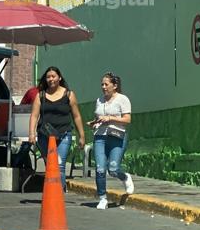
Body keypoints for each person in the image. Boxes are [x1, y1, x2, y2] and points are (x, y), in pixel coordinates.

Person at [28, 66, 87, 192]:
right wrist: (31, 133)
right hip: (44, 136)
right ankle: (51, 193)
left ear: (59, 78)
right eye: (48, 77)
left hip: (63, 134)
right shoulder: (41, 95)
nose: (51, 79)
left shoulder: (69, 94)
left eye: (53, 76)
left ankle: (58, 194)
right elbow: (34, 115)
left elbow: (76, 116)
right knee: (50, 166)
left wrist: (81, 135)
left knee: (59, 165)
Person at [90, 72, 133, 209]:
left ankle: (124, 177)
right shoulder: (99, 100)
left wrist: (110, 118)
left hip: (117, 136)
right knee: (100, 168)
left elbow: (127, 120)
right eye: (102, 84)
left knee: (113, 169)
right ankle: (102, 198)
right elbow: (99, 117)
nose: (103, 87)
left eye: (106, 84)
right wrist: (94, 122)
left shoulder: (122, 99)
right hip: (100, 136)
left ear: (114, 86)